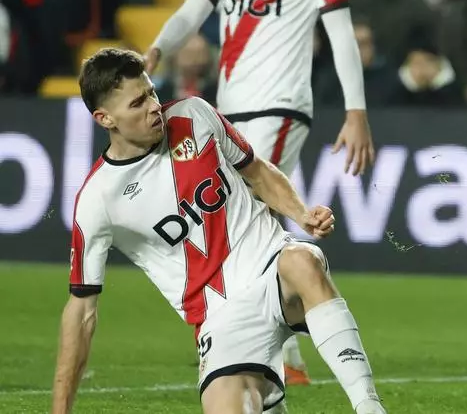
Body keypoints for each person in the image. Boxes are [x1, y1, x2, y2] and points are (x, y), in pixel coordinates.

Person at [142, 0, 377, 385]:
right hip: (226, 109)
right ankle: (287, 352)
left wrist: (356, 111)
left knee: (247, 208)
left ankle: (262, 350)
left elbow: (340, 35)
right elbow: (192, 11)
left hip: (282, 102)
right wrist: (157, 48)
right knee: (244, 219)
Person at [51, 49, 386, 414]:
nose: (152, 106)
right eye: (137, 103)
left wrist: (300, 214)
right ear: (105, 119)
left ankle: (369, 406)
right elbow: (82, 311)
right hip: (220, 317)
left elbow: (256, 170)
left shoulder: (193, 114)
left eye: (151, 92)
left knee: (303, 261)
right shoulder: (98, 198)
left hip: (268, 260)